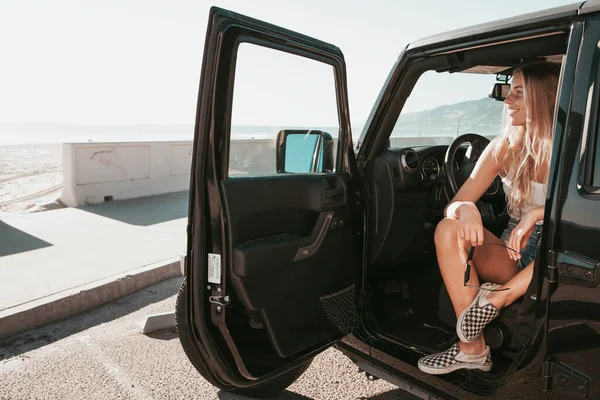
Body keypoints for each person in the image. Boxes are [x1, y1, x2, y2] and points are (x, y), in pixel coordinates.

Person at [417, 61, 561, 375]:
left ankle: (496, 299)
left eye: (519, 93)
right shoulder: (503, 149)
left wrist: (537, 214)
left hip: (555, 261)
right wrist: (464, 208)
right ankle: (473, 349)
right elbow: (454, 205)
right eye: (509, 91)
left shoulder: (571, 152)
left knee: (559, 238)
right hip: (514, 253)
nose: (508, 100)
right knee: (447, 229)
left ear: (547, 97)